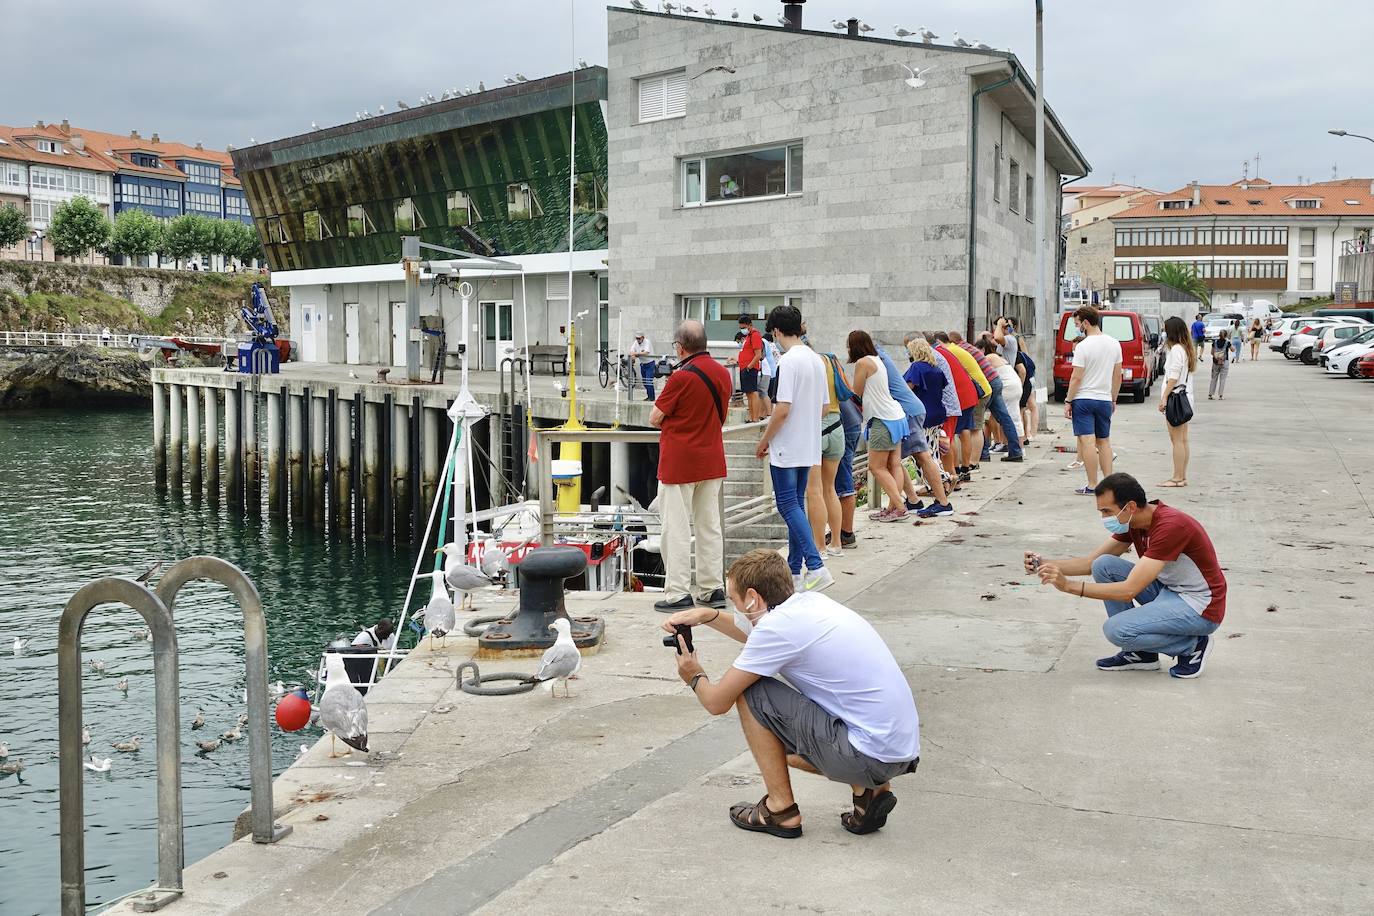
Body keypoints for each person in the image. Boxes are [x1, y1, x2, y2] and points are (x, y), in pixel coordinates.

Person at [663, 549, 921, 838]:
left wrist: (693, 674)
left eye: (734, 601)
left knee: (753, 693)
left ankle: (780, 810)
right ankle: (868, 791)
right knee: (792, 720)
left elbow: (716, 701)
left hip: (870, 756)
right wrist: (707, 615)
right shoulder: (810, 603)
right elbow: (756, 633)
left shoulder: (775, 629)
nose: (734, 608)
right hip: (901, 750)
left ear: (753, 597)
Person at [1028, 473, 1226, 679]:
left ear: (1130, 507)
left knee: (1117, 631)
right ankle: (1141, 654)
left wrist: (1068, 586)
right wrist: (1042, 564)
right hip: (1170, 592)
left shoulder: (1171, 526)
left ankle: (1193, 646)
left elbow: (1128, 591)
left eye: (1107, 511)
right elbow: (1090, 563)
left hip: (1201, 607)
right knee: (1103, 564)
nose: (1104, 518)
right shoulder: (1135, 522)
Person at [650, 320, 733, 612]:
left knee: (676, 529)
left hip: (679, 462)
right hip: (711, 459)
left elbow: (655, 417)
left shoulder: (679, 377)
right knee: (710, 526)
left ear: (680, 347)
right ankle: (713, 589)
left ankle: (677, 593)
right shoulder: (723, 373)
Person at [754, 305, 833, 591]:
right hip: (808, 443)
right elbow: (824, 406)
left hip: (787, 445)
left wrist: (764, 440)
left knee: (788, 505)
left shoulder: (788, 362)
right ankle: (796, 571)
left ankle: (815, 565)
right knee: (796, 505)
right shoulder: (815, 359)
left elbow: (782, 409)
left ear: (775, 331)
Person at [1064, 306, 1122, 496]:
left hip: (1084, 399)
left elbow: (1076, 377)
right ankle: (1110, 484)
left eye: (1078, 324)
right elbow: (1117, 376)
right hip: (1104, 399)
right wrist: (1113, 398)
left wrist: (1068, 400)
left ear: (1086, 323)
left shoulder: (1083, 346)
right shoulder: (1114, 344)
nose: (1078, 327)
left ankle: (1092, 485)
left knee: (1088, 442)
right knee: (1104, 441)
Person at [903, 337, 955, 516]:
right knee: (932, 453)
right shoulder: (936, 369)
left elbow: (906, 389)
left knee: (923, 457)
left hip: (922, 417)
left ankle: (944, 479)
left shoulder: (916, 368)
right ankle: (942, 483)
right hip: (937, 414)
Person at [806, 348, 846, 558]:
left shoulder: (808, 363)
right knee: (830, 489)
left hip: (817, 427)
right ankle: (836, 543)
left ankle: (819, 547)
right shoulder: (830, 360)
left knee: (814, 490)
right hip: (837, 425)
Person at [931, 333, 980, 484]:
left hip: (960, 397)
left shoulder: (937, 354)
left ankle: (953, 474)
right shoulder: (946, 351)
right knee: (964, 430)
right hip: (968, 394)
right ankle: (963, 470)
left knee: (947, 437)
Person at [969, 337, 1025, 463]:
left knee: (978, 418)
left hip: (1004, 386)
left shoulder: (987, 358)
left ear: (983, 349)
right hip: (1006, 384)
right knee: (1006, 418)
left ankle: (983, 454)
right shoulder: (997, 356)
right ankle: (1015, 451)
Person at [1157, 316, 1195, 489]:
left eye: (1166, 329)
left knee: (1177, 440)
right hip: (1183, 396)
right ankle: (1182, 476)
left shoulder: (1177, 350)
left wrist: (1164, 397)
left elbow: (1173, 375)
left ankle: (1177, 477)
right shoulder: (1184, 349)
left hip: (1175, 397)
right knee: (1183, 439)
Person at [831, 357, 863, 550]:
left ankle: (846, 533)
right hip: (852, 425)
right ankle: (841, 531)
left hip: (845, 429)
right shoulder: (840, 381)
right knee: (839, 483)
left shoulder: (829, 383)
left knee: (842, 484)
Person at [736, 315, 765, 421]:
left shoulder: (755, 335)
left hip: (750, 368)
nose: (742, 330)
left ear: (750, 325)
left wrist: (749, 366)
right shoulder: (748, 336)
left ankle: (755, 417)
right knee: (748, 393)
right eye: (740, 327)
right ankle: (752, 416)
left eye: (743, 327)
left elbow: (758, 354)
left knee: (753, 392)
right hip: (744, 367)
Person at [1015, 346, 1038, 447]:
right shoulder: (1021, 354)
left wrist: (1020, 385)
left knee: (1021, 410)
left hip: (1024, 383)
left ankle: (1024, 437)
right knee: (1023, 410)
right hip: (1028, 381)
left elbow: (1023, 371)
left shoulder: (1016, 355)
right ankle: (1026, 435)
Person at [629, 332, 656, 401]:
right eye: (636, 338)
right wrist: (633, 356)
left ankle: (652, 397)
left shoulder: (647, 342)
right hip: (643, 364)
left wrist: (635, 354)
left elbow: (646, 352)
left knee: (648, 381)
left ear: (643, 338)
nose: (638, 340)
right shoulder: (635, 343)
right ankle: (649, 396)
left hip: (650, 364)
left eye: (639, 338)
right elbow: (631, 351)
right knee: (644, 382)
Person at [1208, 330, 1230, 400]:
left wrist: (1217, 356)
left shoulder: (1215, 342)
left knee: (1214, 378)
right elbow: (1233, 350)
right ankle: (1220, 395)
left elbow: (1212, 352)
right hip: (1224, 362)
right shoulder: (1227, 343)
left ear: (1219, 335)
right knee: (1222, 379)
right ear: (1226, 335)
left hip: (1215, 362)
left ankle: (1210, 394)